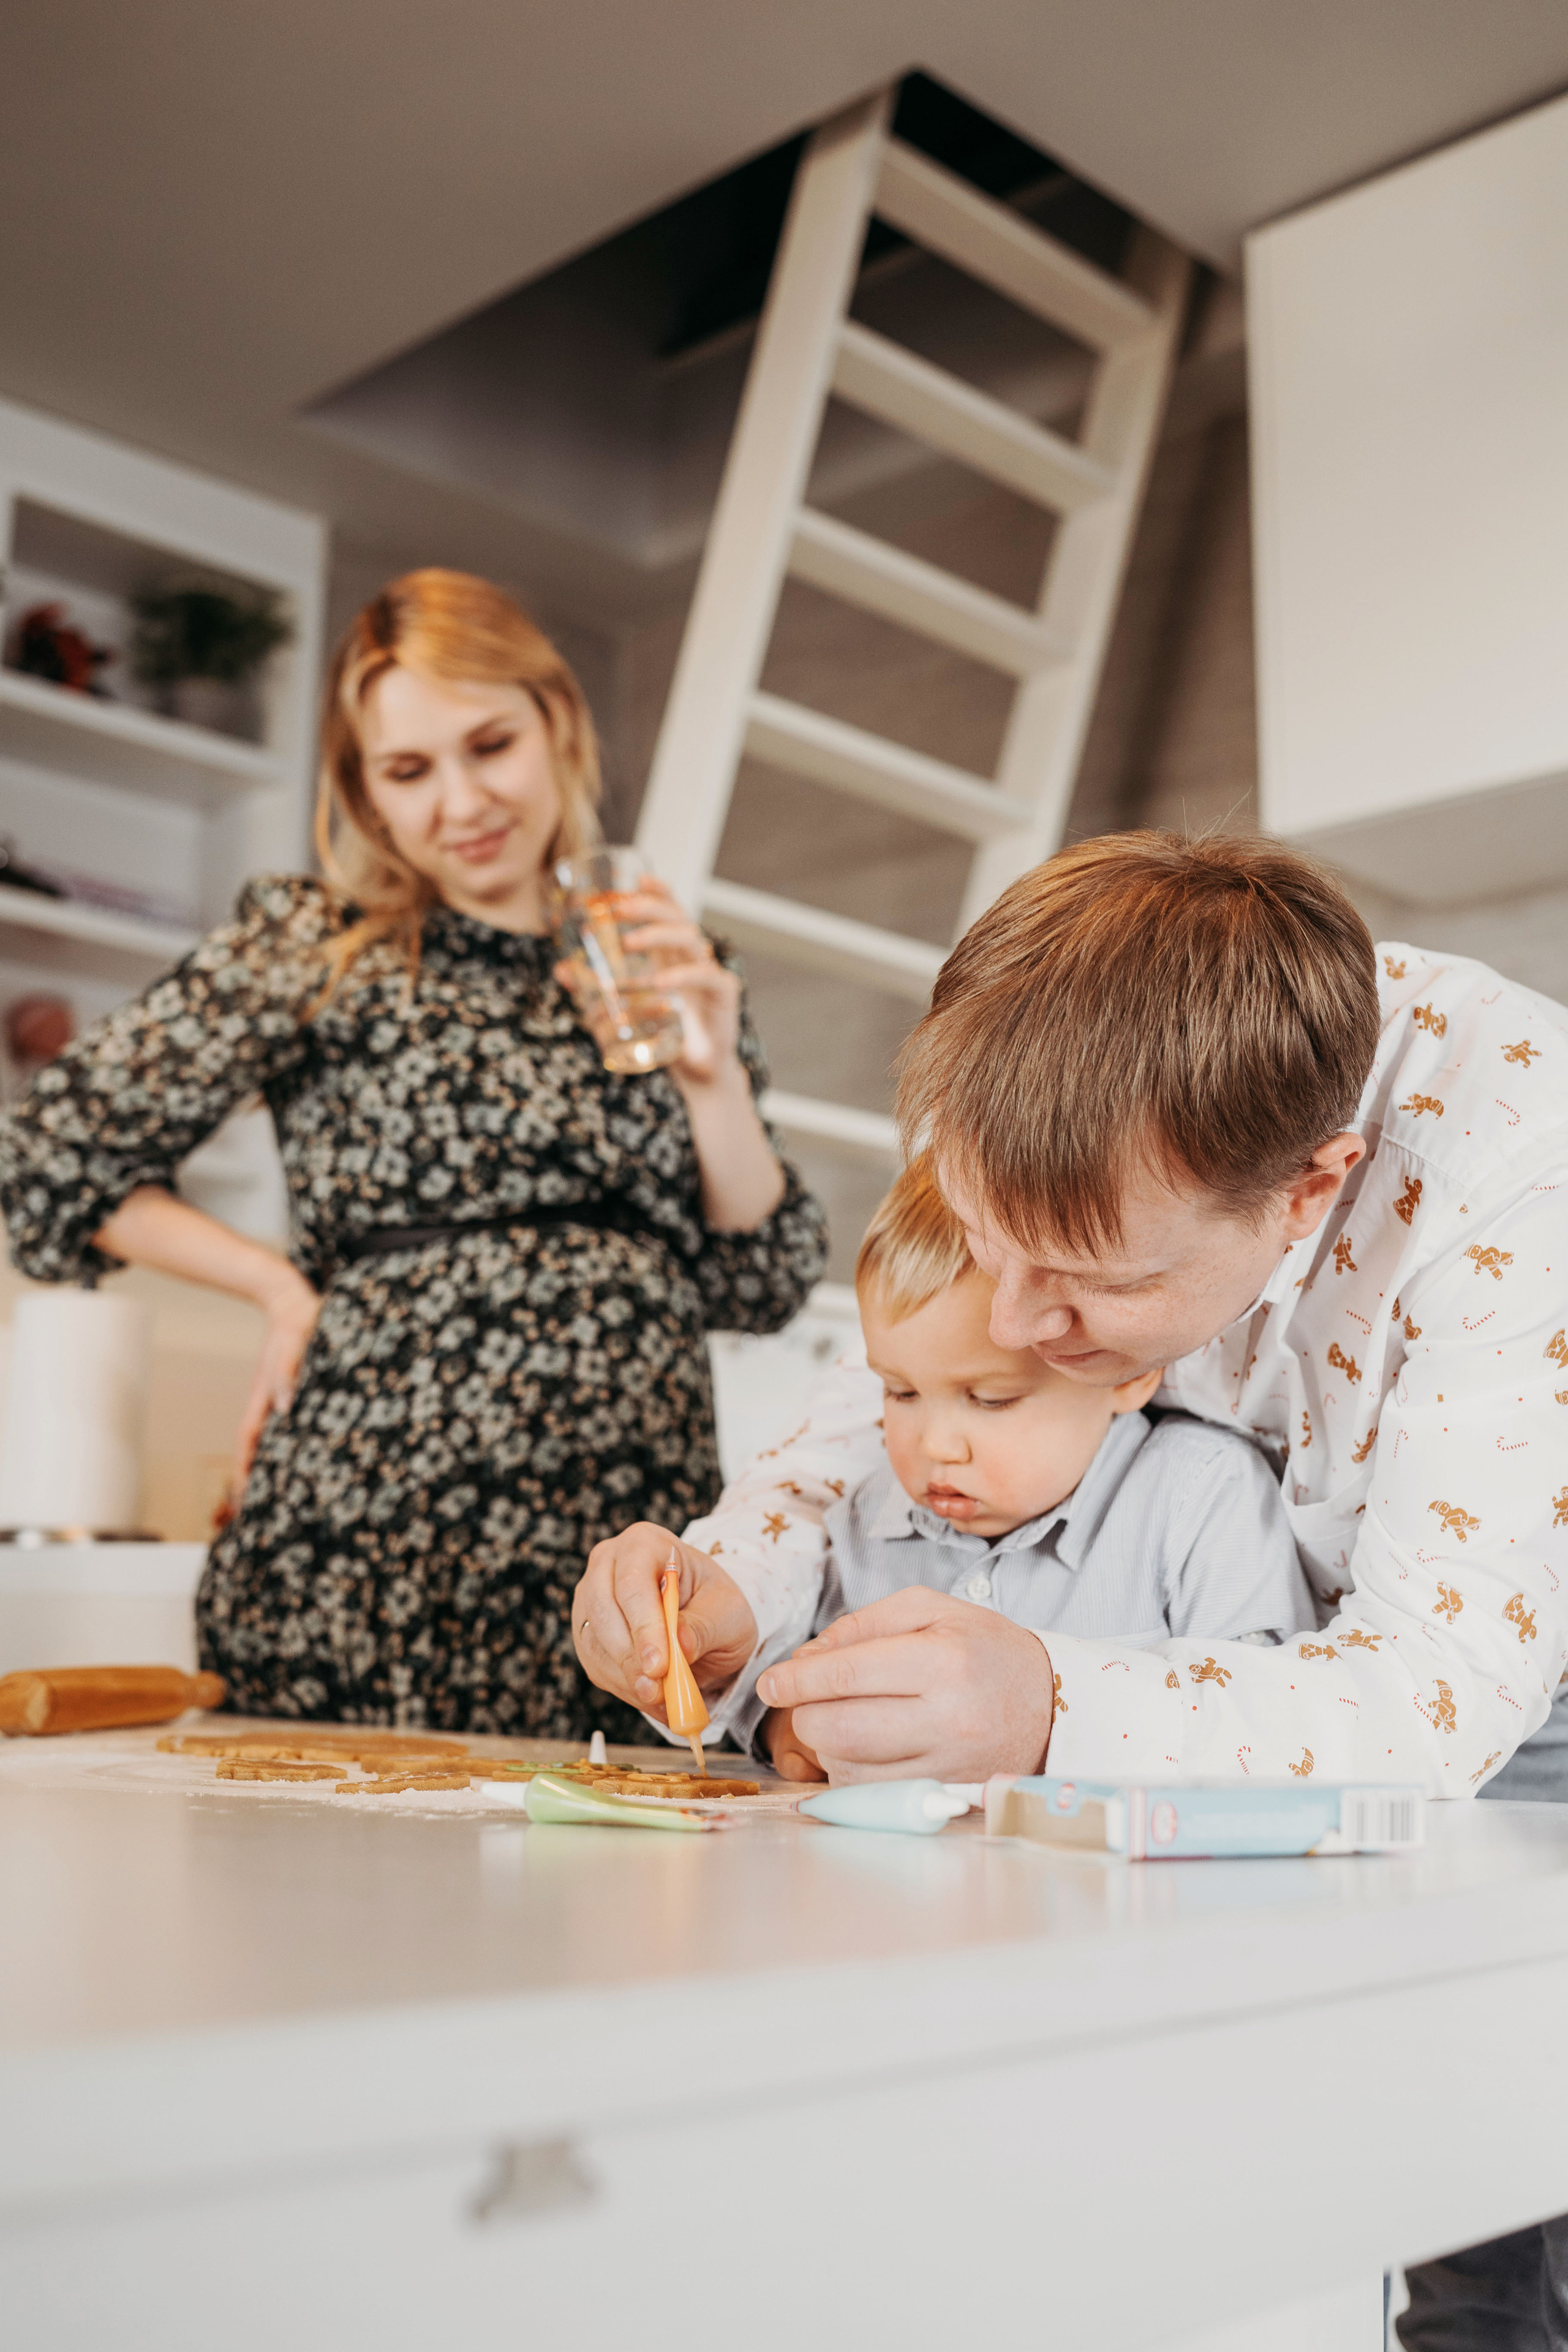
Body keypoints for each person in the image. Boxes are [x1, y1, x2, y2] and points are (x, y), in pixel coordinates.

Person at [0, 568, 826, 1740]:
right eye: (408, 771)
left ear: (560, 727)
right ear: (366, 794)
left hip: (623, 1547)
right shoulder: (316, 944)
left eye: (491, 744)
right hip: (371, 1536)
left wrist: (715, 1081)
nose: (462, 801)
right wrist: (275, 1286)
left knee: (609, 1909)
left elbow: (760, 1281)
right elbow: (50, 1153)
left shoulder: (660, 957)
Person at [570, 829, 1567, 1795]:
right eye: (984, 1241)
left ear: (1308, 1194)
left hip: (1499, 1733)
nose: (1009, 1328)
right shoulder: (1029, 1074)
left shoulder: (1520, 1168)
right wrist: (731, 1592)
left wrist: (1052, 1709)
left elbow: (1445, 1698)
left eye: (1100, 1281)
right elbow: (844, 1448)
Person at [753, 1158, 1314, 1781]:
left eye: (991, 1400)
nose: (937, 1446)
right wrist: (788, 1723)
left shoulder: (1204, 1494)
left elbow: (1266, 1720)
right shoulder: (863, 1519)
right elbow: (782, 1691)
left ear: (1128, 1369)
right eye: (899, 1393)